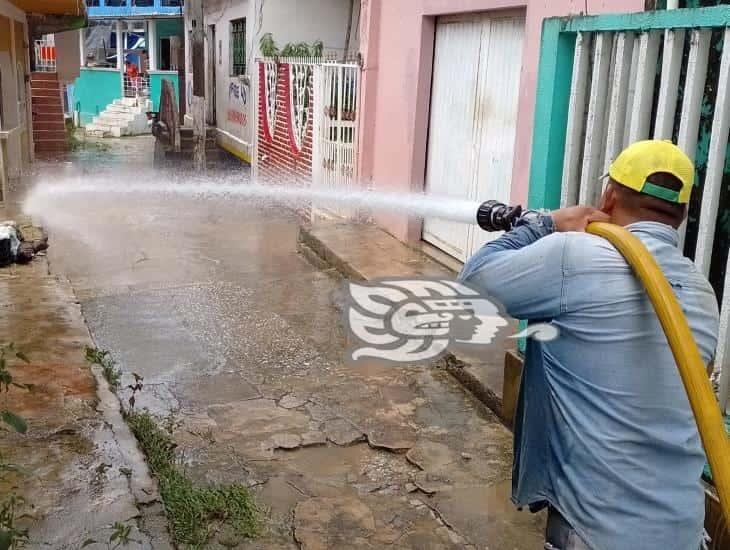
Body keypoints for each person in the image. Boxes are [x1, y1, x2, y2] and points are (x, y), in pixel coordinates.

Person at [459, 140, 720, 550]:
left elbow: (472, 287)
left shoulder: (574, 256)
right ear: (682, 215)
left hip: (598, 531)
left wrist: (543, 225)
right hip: (684, 532)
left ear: (609, 196)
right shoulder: (702, 292)